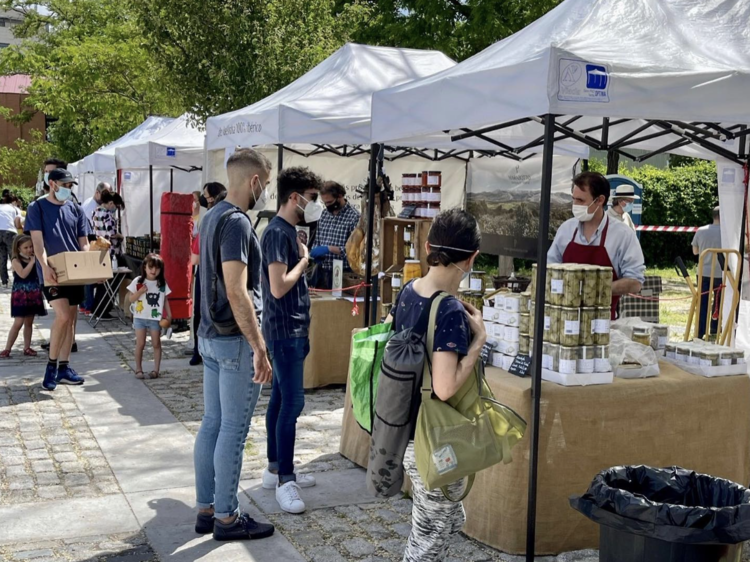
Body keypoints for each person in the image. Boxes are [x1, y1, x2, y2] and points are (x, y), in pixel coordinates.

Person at [382, 209, 485, 561]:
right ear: (471, 259)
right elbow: (444, 387)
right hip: (433, 438)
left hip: (402, 428)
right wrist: (477, 343)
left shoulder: (409, 291)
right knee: (427, 541)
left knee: (449, 519)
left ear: (427, 245)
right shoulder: (449, 310)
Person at [193, 148, 274, 541]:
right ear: (254, 181)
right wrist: (258, 345)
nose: (266, 194)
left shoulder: (210, 216)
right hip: (233, 340)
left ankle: (207, 508)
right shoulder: (238, 223)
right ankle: (226, 516)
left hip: (210, 335)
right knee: (232, 429)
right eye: (266, 185)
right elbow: (237, 291)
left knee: (212, 424)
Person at [260, 167, 323, 513]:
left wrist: (303, 256)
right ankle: (285, 480)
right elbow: (278, 285)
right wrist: (304, 260)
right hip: (284, 330)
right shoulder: (275, 233)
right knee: (292, 404)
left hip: (293, 327)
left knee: (280, 399)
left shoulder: (288, 231)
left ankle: (276, 467)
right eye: (312, 198)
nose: (314, 205)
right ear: (294, 197)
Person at [548, 172, 645, 320]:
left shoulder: (623, 235)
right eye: (574, 199)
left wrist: (596, 289)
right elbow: (549, 270)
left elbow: (635, 282)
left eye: (581, 200)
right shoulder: (566, 229)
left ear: (600, 200)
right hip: (563, 320)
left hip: (603, 324)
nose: (575, 205)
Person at [25, 168, 88, 390]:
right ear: (52, 183)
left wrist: (91, 267)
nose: (68, 189)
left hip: (75, 272)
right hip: (51, 271)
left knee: (70, 318)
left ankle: (64, 367)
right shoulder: (37, 207)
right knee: (61, 316)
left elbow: (84, 243)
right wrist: (45, 266)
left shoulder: (76, 209)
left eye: (71, 186)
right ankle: (51, 367)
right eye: (65, 185)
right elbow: (38, 244)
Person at [189, 183, 226, 367]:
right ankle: (201, 350)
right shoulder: (211, 217)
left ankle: (201, 351)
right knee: (203, 312)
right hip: (211, 272)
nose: (202, 200)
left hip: (209, 273)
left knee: (205, 312)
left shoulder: (212, 219)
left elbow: (195, 257)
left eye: (205, 196)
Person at [1, 235, 47, 358]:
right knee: (18, 322)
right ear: (18, 248)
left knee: (29, 322)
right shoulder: (16, 260)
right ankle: (7, 348)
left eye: (31, 246)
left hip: (33, 293)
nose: (29, 249)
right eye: (26, 247)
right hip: (21, 294)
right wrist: (32, 262)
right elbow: (22, 274)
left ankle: (27, 347)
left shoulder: (35, 258)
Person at [127, 254, 171, 379]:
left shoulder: (161, 283)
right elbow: (131, 299)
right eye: (151, 267)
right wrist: (140, 292)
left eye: (157, 268)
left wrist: (169, 314)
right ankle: (138, 369)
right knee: (140, 344)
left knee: (156, 343)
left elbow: (165, 300)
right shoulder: (138, 281)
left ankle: (156, 370)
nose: (153, 271)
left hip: (155, 318)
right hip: (139, 317)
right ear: (144, 267)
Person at [309, 181, 360, 289]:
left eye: (330, 202)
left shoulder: (354, 217)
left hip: (343, 274)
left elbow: (355, 253)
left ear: (340, 196)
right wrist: (316, 252)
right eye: (325, 203)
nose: (327, 206)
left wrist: (330, 249)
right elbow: (317, 240)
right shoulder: (324, 214)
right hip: (322, 273)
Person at [91, 191, 125, 318]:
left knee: (102, 283)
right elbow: (112, 233)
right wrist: (121, 236)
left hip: (100, 249)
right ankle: (103, 310)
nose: (115, 209)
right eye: (115, 206)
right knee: (110, 283)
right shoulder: (107, 215)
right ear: (111, 203)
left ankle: (97, 308)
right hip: (111, 252)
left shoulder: (95, 211)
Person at [692, 206, 723, 338]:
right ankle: (715, 329)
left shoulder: (701, 230)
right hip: (721, 272)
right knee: (718, 302)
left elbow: (695, 251)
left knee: (702, 302)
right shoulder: (726, 232)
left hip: (703, 271)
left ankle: (700, 332)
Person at [0, 194, 22, 287]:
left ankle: (4, 281)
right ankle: (17, 278)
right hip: (10, 232)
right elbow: (17, 224)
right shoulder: (15, 209)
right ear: (14, 201)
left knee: (1, 258)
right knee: (14, 256)